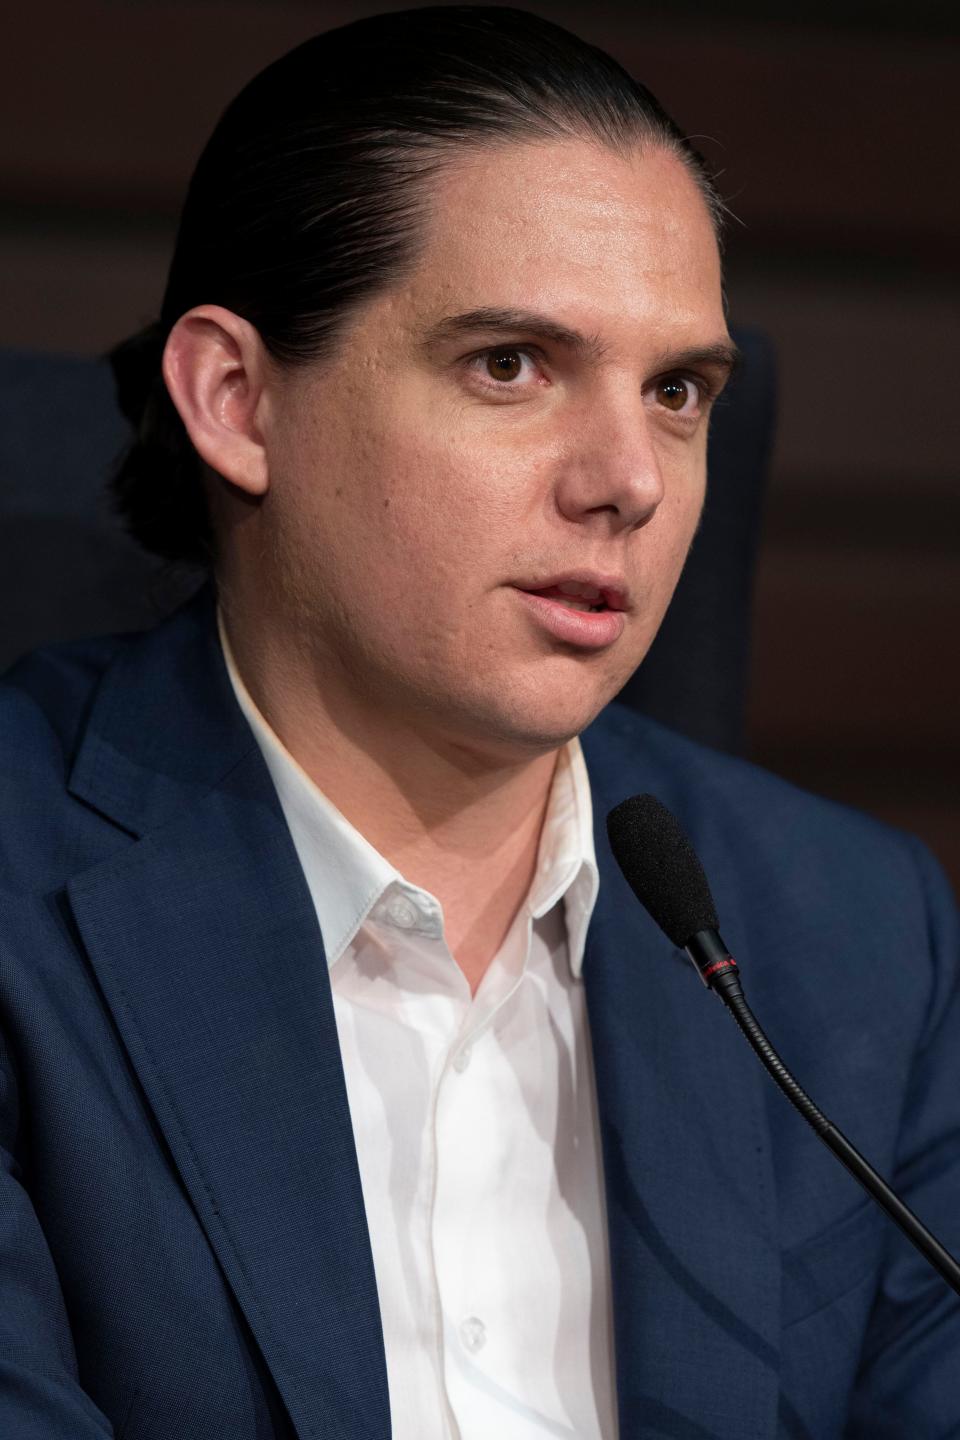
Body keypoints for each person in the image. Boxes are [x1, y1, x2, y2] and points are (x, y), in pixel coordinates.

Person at [0, 7, 957, 1438]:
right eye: (510, 364)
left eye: (678, 391)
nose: (628, 478)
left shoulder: (858, 935)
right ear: (237, 400)